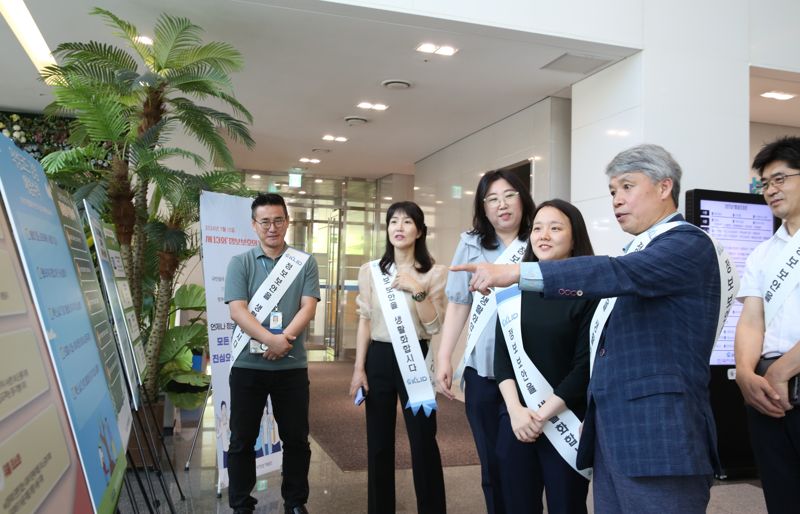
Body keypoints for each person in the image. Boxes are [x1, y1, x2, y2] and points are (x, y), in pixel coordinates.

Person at [452, 144, 735, 514]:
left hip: (657, 438)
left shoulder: (685, 244)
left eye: (628, 187)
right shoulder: (638, 250)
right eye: (613, 191)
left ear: (665, 187)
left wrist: (516, 272)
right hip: (613, 436)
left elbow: (614, 273)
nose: (617, 200)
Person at [435, 169, 534, 514]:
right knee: (491, 464)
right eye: (491, 199)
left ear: (522, 198)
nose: (501, 205)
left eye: (508, 195)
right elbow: (459, 303)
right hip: (483, 371)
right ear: (482, 207)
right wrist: (445, 357)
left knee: (522, 465)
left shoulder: (538, 239)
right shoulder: (472, 243)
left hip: (529, 373)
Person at [494, 199, 597, 514]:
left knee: (567, 506)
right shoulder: (515, 291)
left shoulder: (590, 292)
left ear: (574, 237)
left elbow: (584, 368)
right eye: (537, 228)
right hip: (515, 420)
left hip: (565, 420)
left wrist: (540, 416)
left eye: (555, 228)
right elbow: (502, 360)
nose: (544, 235)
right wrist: (515, 410)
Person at [349, 201, 447, 514]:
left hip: (415, 358)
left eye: (407, 222)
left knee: (422, 442)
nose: (399, 228)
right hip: (378, 357)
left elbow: (434, 325)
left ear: (419, 230)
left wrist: (418, 290)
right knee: (378, 443)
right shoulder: (371, 271)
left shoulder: (434, 272)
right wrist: (358, 368)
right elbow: (365, 320)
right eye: (393, 222)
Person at [224, 193, 320, 514]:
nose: (272, 227)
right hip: (248, 366)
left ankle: (295, 502)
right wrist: (271, 340)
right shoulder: (241, 263)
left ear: (287, 222)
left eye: (278, 220)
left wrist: (285, 339)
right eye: (264, 221)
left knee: (296, 439)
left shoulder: (304, 263)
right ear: (254, 225)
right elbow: (238, 311)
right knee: (241, 440)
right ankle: (240, 503)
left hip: (291, 366)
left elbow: (308, 307)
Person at [734, 136, 800, 514]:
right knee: (781, 494)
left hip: (783, 377)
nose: (770, 191)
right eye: (764, 184)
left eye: (780, 179)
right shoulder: (763, 251)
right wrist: (744, 374)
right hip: (767, 392)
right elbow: (751, 319)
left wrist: (781, 372)